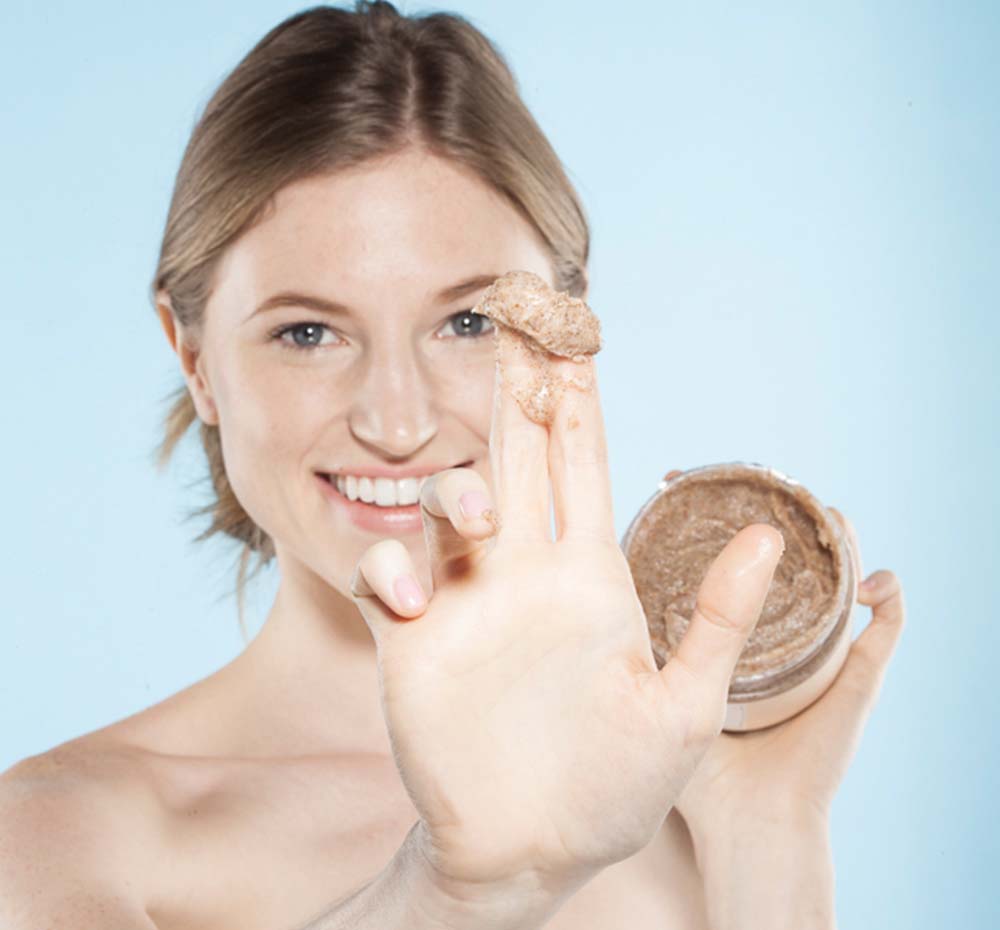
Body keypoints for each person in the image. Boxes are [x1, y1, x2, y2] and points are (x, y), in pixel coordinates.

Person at [0, 3, 906, 928]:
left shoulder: (688, 806)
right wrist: (462, 891)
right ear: (194, 359)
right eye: (307, 332)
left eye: (470, 322)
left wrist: (767, 826)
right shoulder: (61, 836)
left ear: (566, 330)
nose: (396, 422)